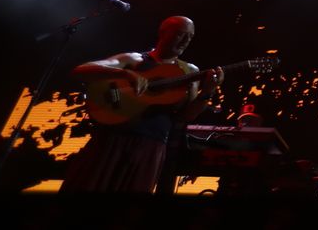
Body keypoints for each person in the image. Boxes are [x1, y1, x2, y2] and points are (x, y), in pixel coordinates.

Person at [62, 15, 221, 193]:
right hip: (110, 140)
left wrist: (207, 92)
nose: (185, 41)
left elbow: (186, 116)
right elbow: (81, 71)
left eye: (189, 37)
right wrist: (126, 74)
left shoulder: (190, 71)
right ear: (163, 33)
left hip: (150, 146)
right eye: (180, 34)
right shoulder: (135, 59)